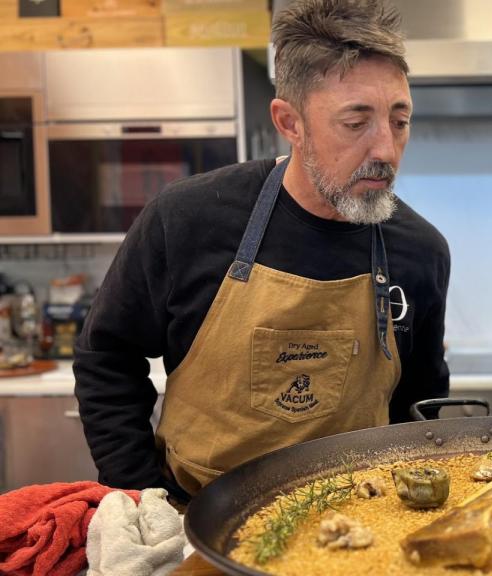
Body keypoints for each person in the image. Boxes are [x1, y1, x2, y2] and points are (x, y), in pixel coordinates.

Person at [73, 0, 450, 501]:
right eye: (356, 123)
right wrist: (141, 495)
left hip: (361, 524)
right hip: (199, 522)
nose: (385, 150)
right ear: (289, 122)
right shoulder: (188, 219)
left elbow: (418, 406)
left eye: (399, 121)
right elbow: (106, 356)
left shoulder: (420, 251)